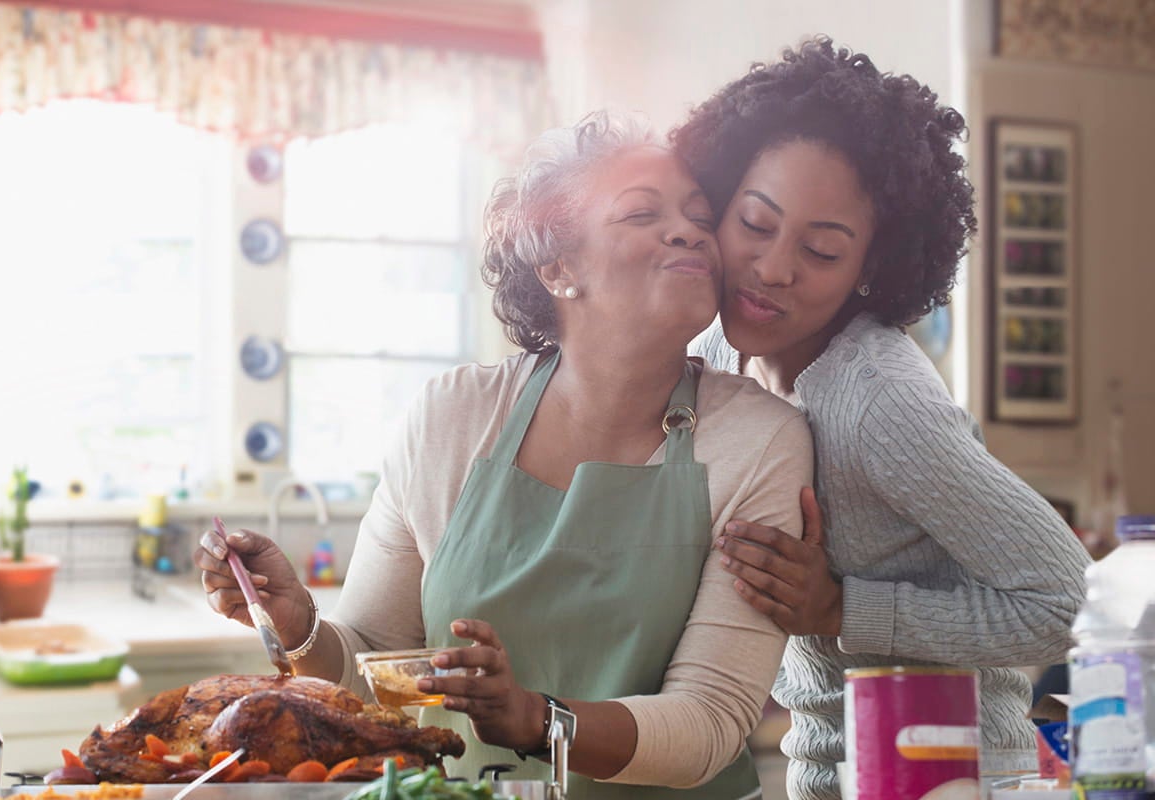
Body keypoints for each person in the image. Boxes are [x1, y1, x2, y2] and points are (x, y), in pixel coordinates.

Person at [196, 109, 815, 799]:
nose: (690, 229)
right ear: (558, 268)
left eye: (700, 215)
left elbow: (708, 726)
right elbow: (377, 670)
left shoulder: (759, 440)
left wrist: (536, 719)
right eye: (643, 214)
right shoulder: (452, 418)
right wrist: (297, 623)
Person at [671, 37, 1092, 800]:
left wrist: (839, 607)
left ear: (872, 268)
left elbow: (1067, 602)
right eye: (755, 223)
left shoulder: (878, 400)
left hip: (954, 779)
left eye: (822, 251)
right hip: (823, 774)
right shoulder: (713, 351)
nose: (773, 268)